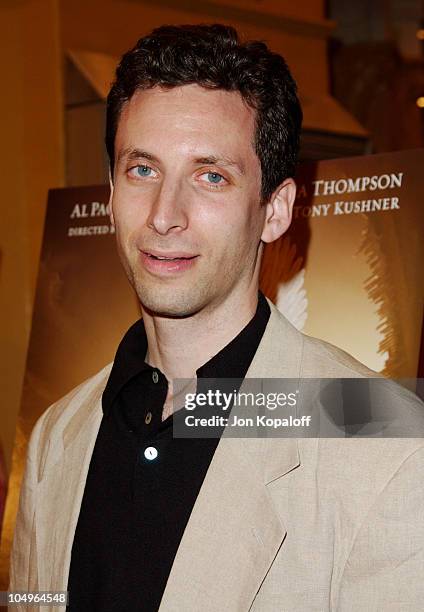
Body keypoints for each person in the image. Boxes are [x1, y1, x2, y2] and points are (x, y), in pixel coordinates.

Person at [10, 24, 424, 611]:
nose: (164, 216)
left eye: (211, 176)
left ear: (275, 210)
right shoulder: (57, 435)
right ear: (108, 191)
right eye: (143, 170)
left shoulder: (392, 449)